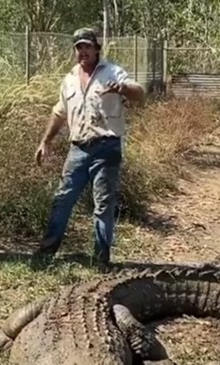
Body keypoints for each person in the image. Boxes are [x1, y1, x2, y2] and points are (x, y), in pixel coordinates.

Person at [33, 27, 145, 267]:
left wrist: (122, 88)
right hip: (78, 149)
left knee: (103, 205)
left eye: (87, 46)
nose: (83, 51)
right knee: (62, 199)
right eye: (79, 47)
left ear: (96, 49)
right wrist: (46, 141)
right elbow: (59, 112)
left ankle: (101, 260)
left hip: (107, 147)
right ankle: (46, 253)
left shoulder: (112, 72)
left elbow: (140, 93)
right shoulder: (69, 79)